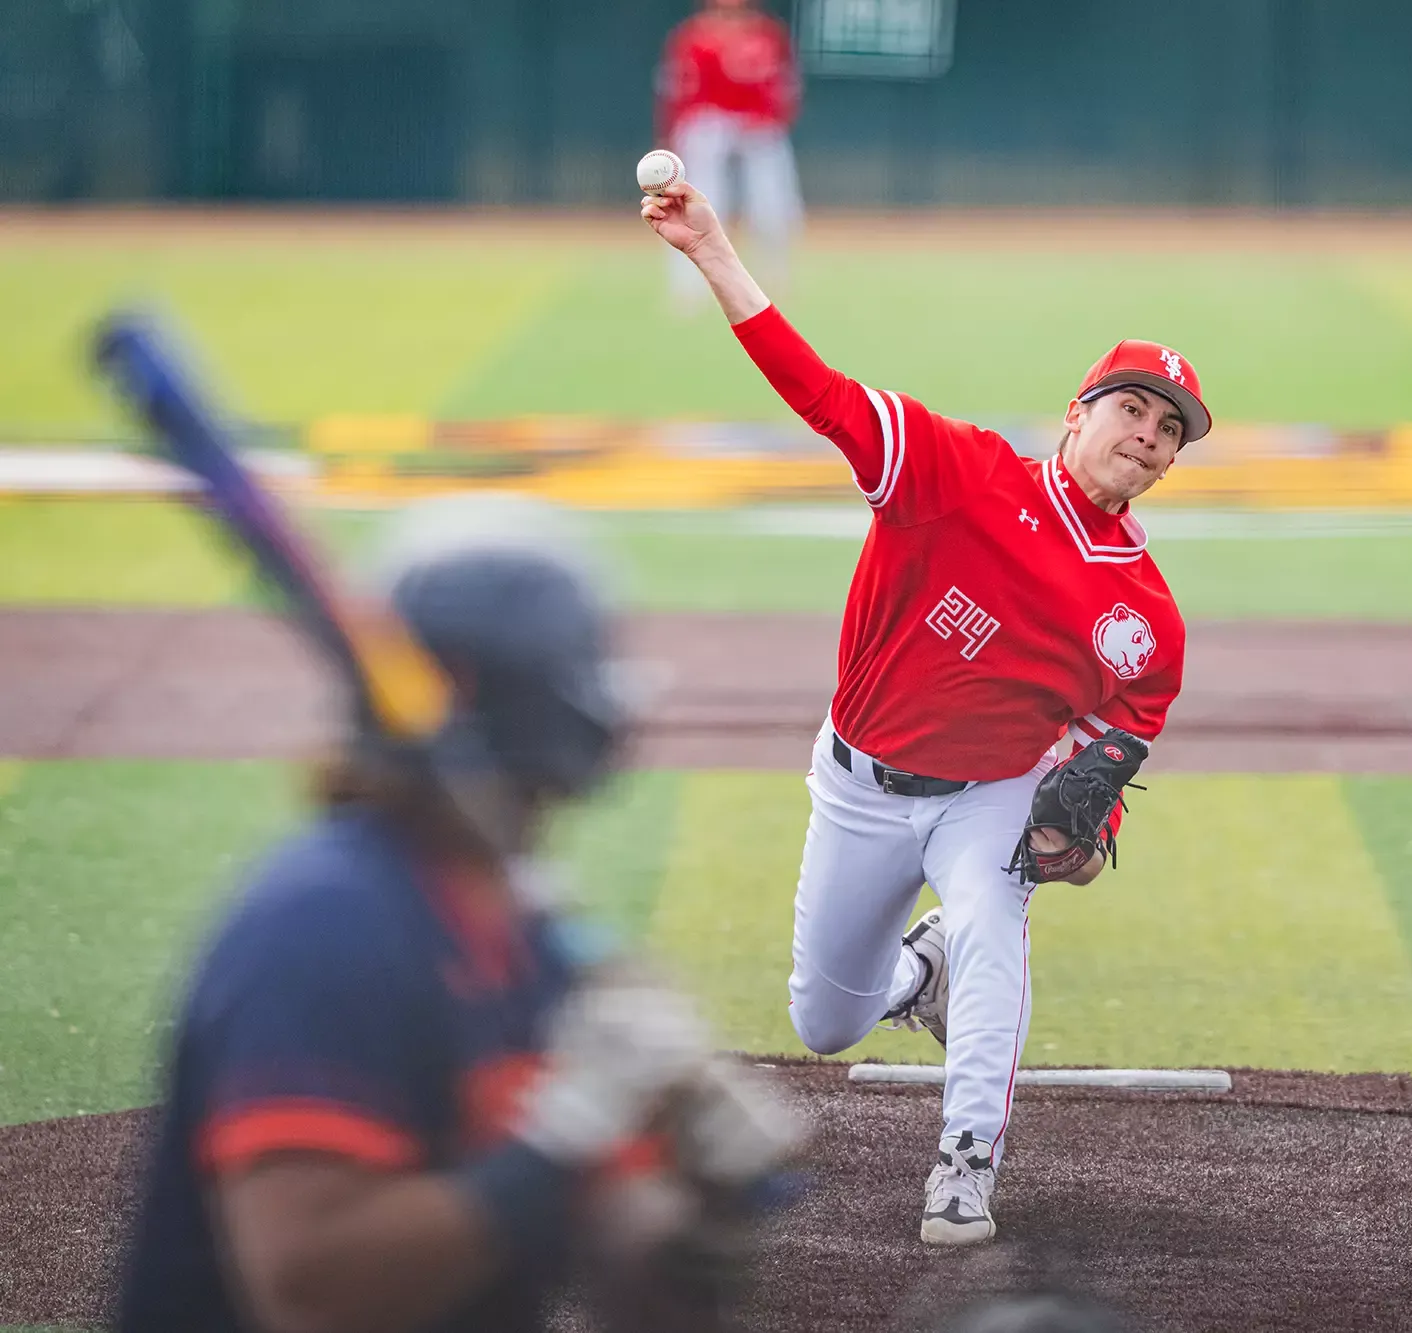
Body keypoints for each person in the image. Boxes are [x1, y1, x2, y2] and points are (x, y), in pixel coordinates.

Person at [640, 180, 1206, 1246]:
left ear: (1172, 462)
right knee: (825, 1020)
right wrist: (715, 252)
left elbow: (1104, 760)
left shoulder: (1145, 621)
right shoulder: (958, 472)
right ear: (1077, 412)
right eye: (1131, 406)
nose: (1146, 432)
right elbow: (823, 395)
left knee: (995, 921)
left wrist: (1078, 845)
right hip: (855, 779)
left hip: (985, 797)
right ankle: (917, 972)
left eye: (1168, 427)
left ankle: (964, 1163)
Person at [114, 502, 767, 1333]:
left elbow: (632, 1271)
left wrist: (709, 1208)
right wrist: (565, 1133)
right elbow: (312, 1292)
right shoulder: (323, 926)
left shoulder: (530, 940)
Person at [654, 0, 803, 308]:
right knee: (695, 205)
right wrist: (672, 135)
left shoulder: (767, 34)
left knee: (772, 207)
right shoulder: (692, 37)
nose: (729, 16)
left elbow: (786, 89)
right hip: (709, 123)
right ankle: (688, 289)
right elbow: (675, 92)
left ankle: (774, 281)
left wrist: (771, 118)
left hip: (757, 124)